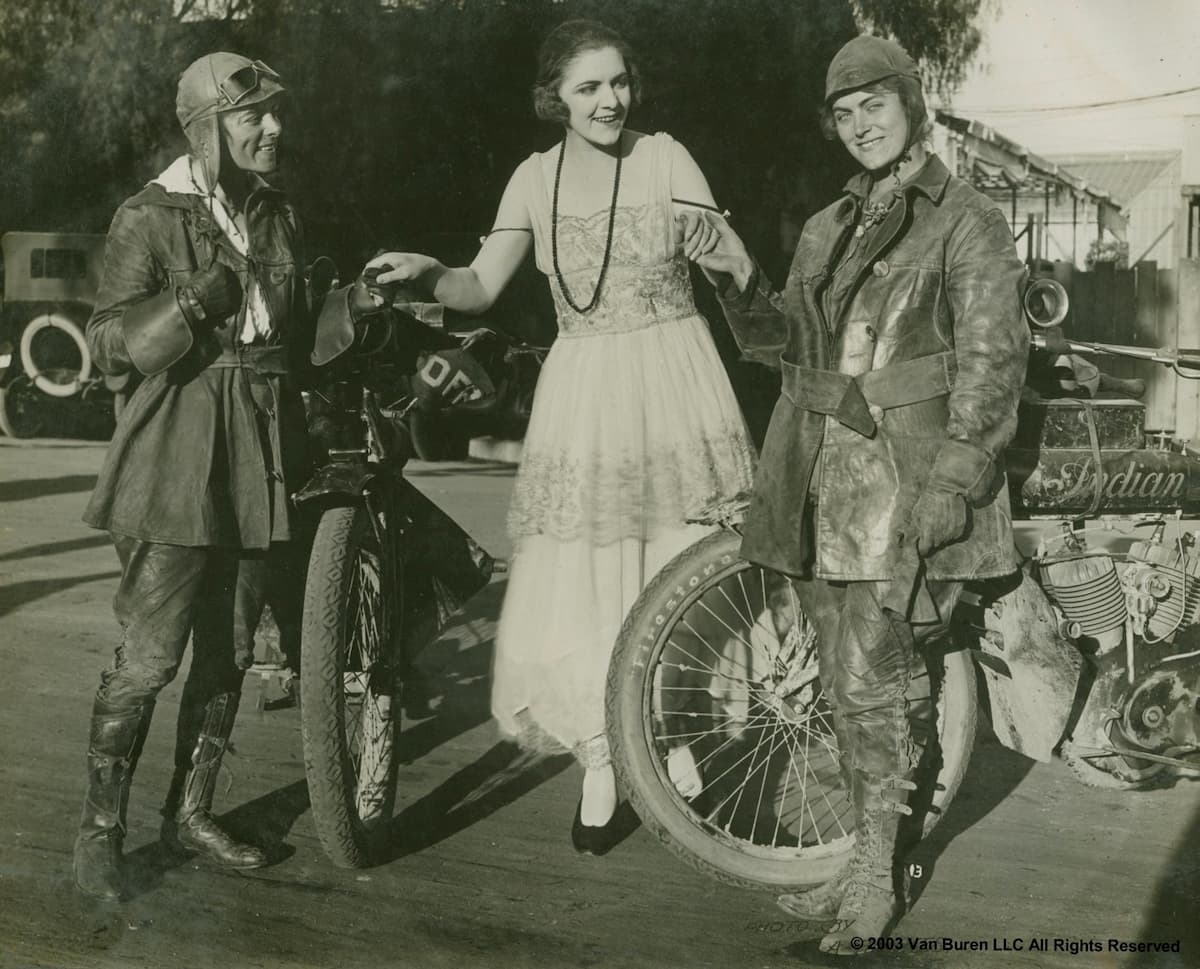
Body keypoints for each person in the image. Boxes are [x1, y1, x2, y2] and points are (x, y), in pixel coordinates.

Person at [367, 19, 755, 853]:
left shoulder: (665, 157)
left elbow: (733, 259)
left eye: (618, 82)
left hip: (675, 378)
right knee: (585, 575)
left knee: (676, 559)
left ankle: (672, 733)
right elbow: (477, 287)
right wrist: (425, 271)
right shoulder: (532, 180)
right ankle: (602, 755)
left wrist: (720, 248)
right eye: (588, 88)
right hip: (583, 391)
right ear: (556, 99)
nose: (609, 100)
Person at [680, 35, 1029, 953]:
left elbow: (994, 366)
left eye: (876, 102)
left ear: (913, 104)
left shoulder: (968, 219)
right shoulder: (827, 228)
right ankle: (862, 854)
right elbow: (783, 347)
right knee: (842, 683)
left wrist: (956, 480)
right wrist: (733, 274)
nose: (860, 122)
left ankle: (877, 866)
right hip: (818, 484)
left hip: (909, 480)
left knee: (881, 678)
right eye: (844, 111)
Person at [73, 52, 313, 900]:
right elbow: (104, 344)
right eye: (253, 117)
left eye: (275, 115)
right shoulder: (149, 214)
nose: (272, 129)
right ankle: (101, 834)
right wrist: (188, 304)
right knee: (148, 659)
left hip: (257, 459)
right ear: (207, 124)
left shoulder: (275, 215)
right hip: (173, 460)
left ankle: (191, 811)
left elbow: (298, 338)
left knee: (231, 651)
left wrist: (368, 304)